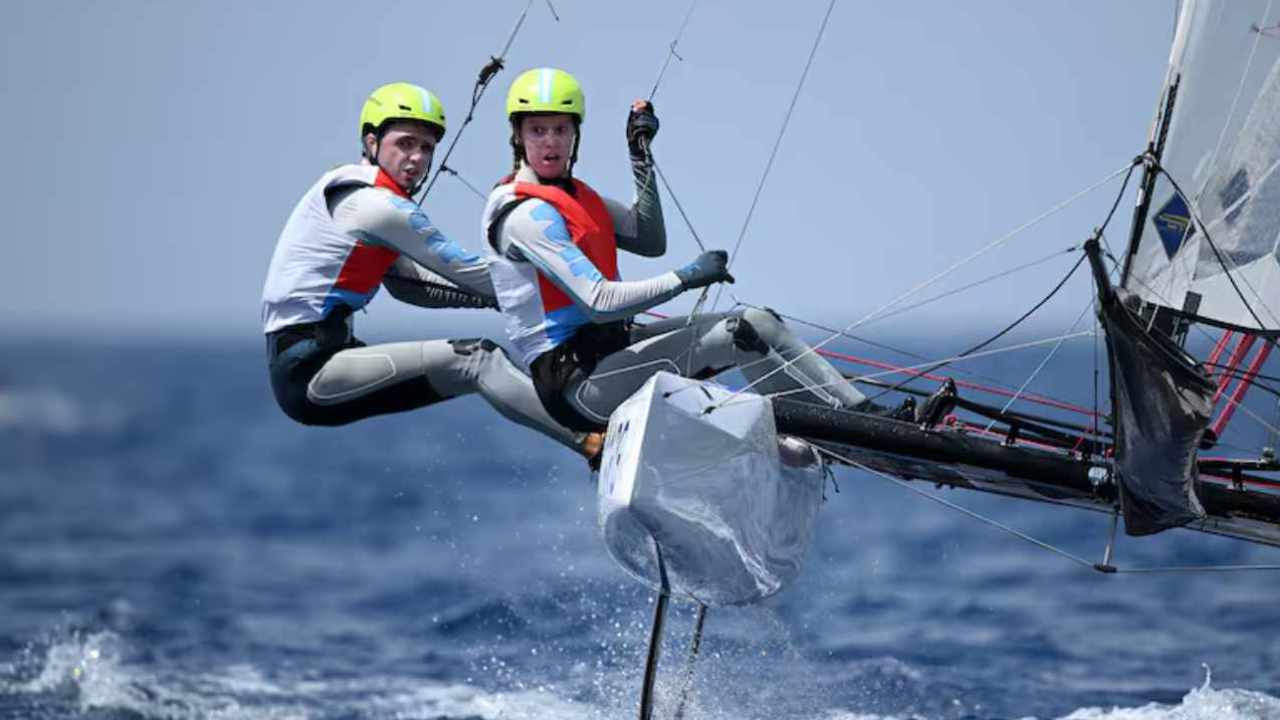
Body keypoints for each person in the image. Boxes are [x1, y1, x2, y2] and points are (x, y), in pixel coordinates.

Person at [482, 68, 872, 433]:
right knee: (739, 333)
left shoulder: (577, 198)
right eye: (537, 130)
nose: (550, 141)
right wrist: (685, 278)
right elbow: (598, 301)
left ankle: (865, 416)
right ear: (517, 135)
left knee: (760, 320)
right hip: (578, 388)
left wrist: (640, 156)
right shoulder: (525, 215)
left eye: (560, 130)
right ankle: (842, 428)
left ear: (575, 135)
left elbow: (650, 240)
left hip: (611, 353)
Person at [261, 81, 597, 458]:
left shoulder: (361, 196)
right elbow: (466, 272)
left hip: (322, 361)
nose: (417, 158)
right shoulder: (377, 207)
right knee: (478, 360)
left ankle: (593, 428)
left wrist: (503, 301)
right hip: (309, 372)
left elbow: (410, 286)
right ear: (371, 143)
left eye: (426, 148)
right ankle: (593, 442)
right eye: (405, 144)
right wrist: (571, 293)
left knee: (472, 363)